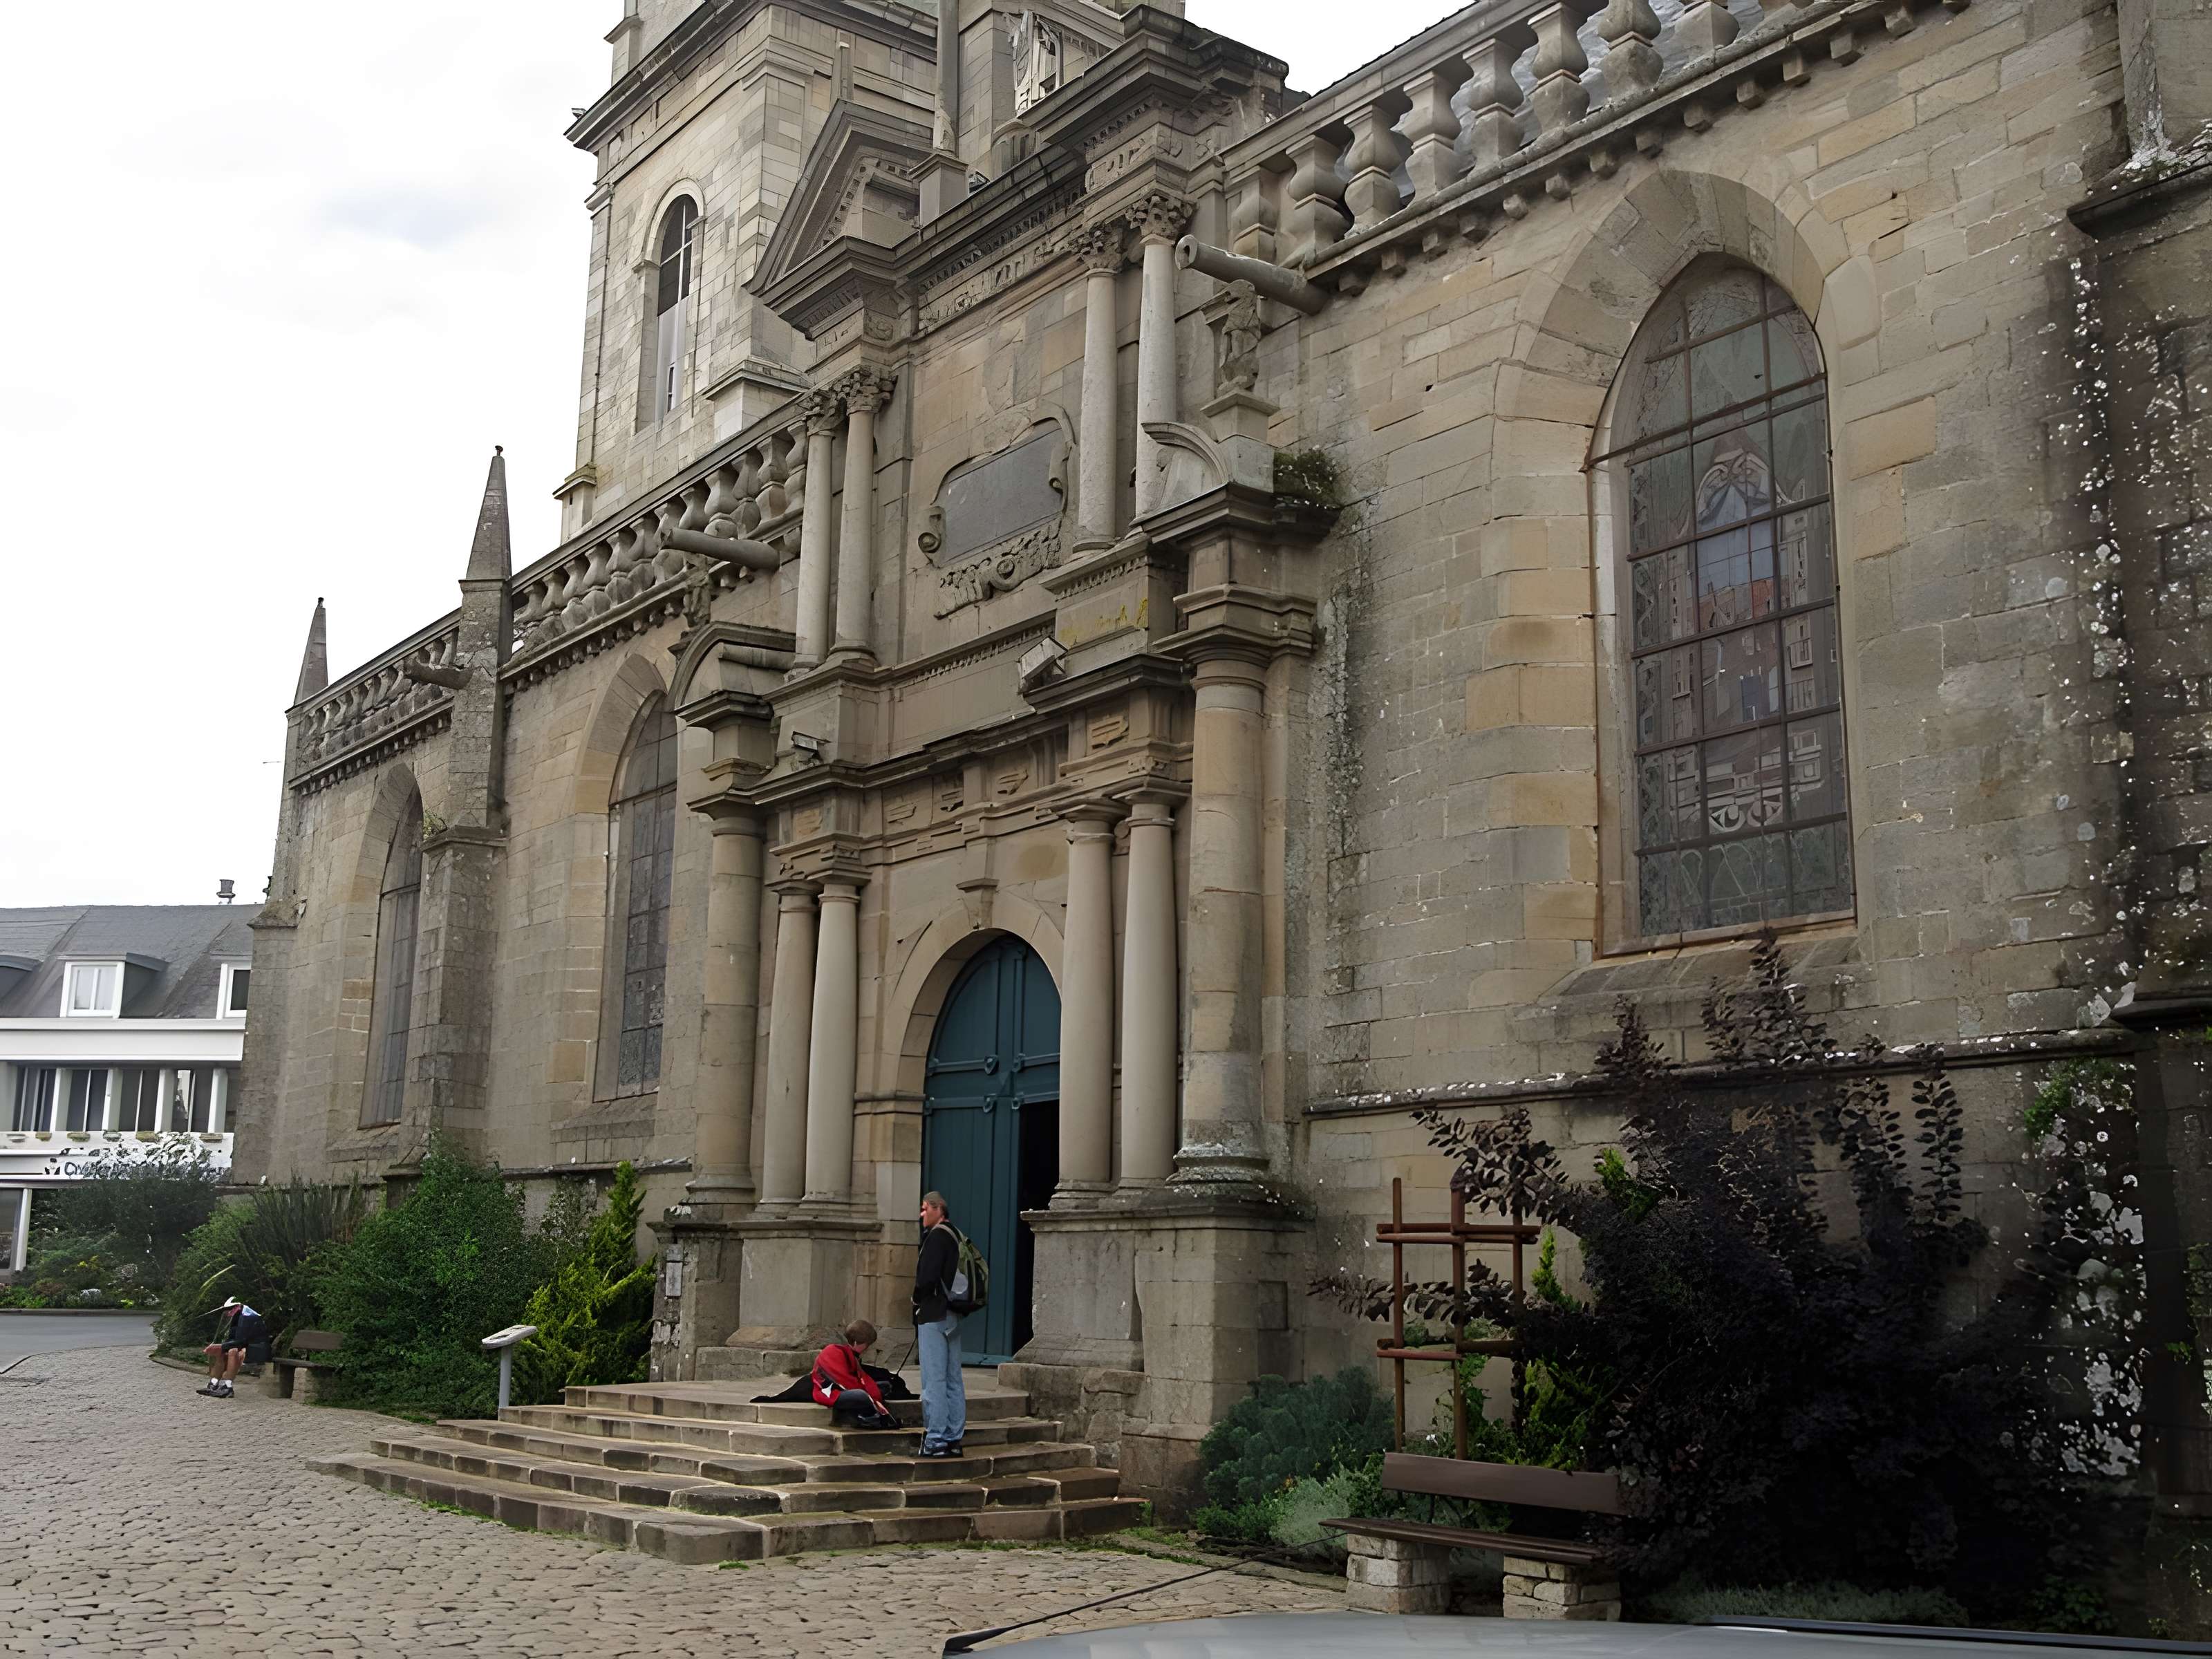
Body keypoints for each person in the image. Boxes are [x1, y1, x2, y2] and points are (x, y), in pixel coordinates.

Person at [912, 1190, 967, 1459]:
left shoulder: (936, 1237)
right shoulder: (955, 1236)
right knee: (953, 1378)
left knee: (933, 1378)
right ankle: (954, 1439)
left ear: (938, 1209)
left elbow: (926, 1280)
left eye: (925, 1209)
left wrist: (916, 1298)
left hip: (934, 1314)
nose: (922, 1214)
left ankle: (935, 1439)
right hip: (952, 1315)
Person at [809, 1319, 899, 1431]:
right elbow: (845, 1382)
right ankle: (870, 1419)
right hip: (832, 1392)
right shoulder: (833, 1351)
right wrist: (870, 1394)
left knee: (885, 1386)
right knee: (861, 1395)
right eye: (866, 1345)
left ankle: (870, 1411)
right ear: (856, 1343)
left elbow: (861, 1378)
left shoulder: (851, 1354)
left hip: (849, 1388)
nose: (866, 1349)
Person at [198, 1297, 269, 1398]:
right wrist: (220, 1347)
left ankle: (228, 1387)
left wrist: (223, 1346)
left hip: (255, 1348)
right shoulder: (236, 1316)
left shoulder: (248, 1316)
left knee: (233, 1352)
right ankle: (214, 1384)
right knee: (221, 1352)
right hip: (242, 1345)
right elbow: (233, 1338)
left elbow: (244, 1340)